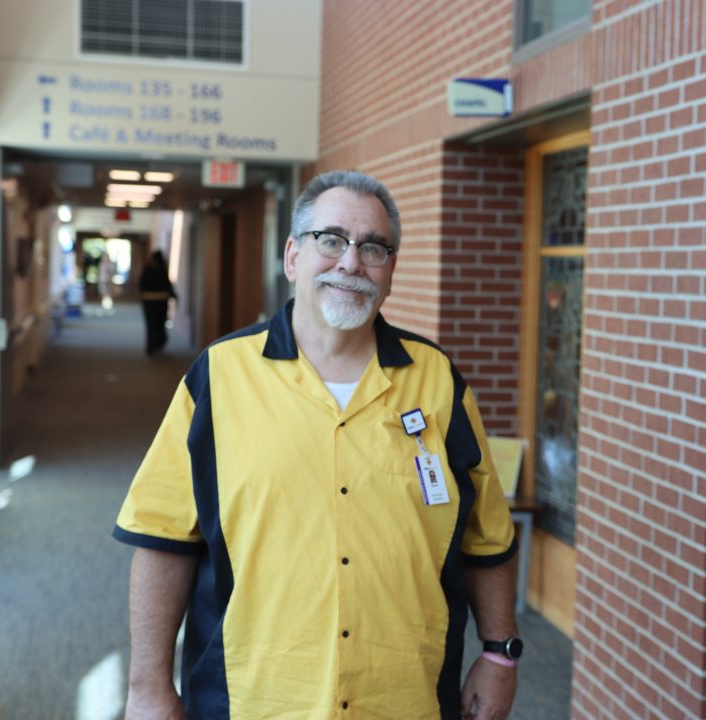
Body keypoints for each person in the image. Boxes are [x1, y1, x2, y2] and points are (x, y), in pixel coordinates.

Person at [114, 170, 522, 719]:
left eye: (373, 247)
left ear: (391, 269)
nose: (351, 263)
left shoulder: (439, 383)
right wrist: (148, 687)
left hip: (405, 701)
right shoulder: (220, 376)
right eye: (330, 240)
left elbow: (487, 537)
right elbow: (163, 538)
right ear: (292, 257)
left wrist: (500, 653)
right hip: (254, 701)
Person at [138, 250, 176, 355]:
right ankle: (159, 343)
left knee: (150, 324)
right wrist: (174, 296)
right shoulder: (162, 269)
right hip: (161, 300)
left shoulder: (147, 269)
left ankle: (150, 346)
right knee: (160, 323)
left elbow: (141, 285)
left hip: (148, 301)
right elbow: (168, 285)